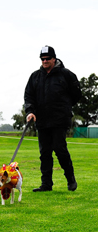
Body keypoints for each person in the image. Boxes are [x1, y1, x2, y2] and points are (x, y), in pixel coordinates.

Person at [24, 46, 82, 192]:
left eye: (47, 59)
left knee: (60, 148)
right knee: (44, 153)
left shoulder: (66, 75)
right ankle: (46, 184)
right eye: (42, 59)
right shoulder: (35, 76)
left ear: (54, 59)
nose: (44, 61)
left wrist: (65, 107)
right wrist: (30, 111)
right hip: (42, 120)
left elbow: (76, 95)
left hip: (59, 119)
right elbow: (29, 96)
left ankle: (71, 180)